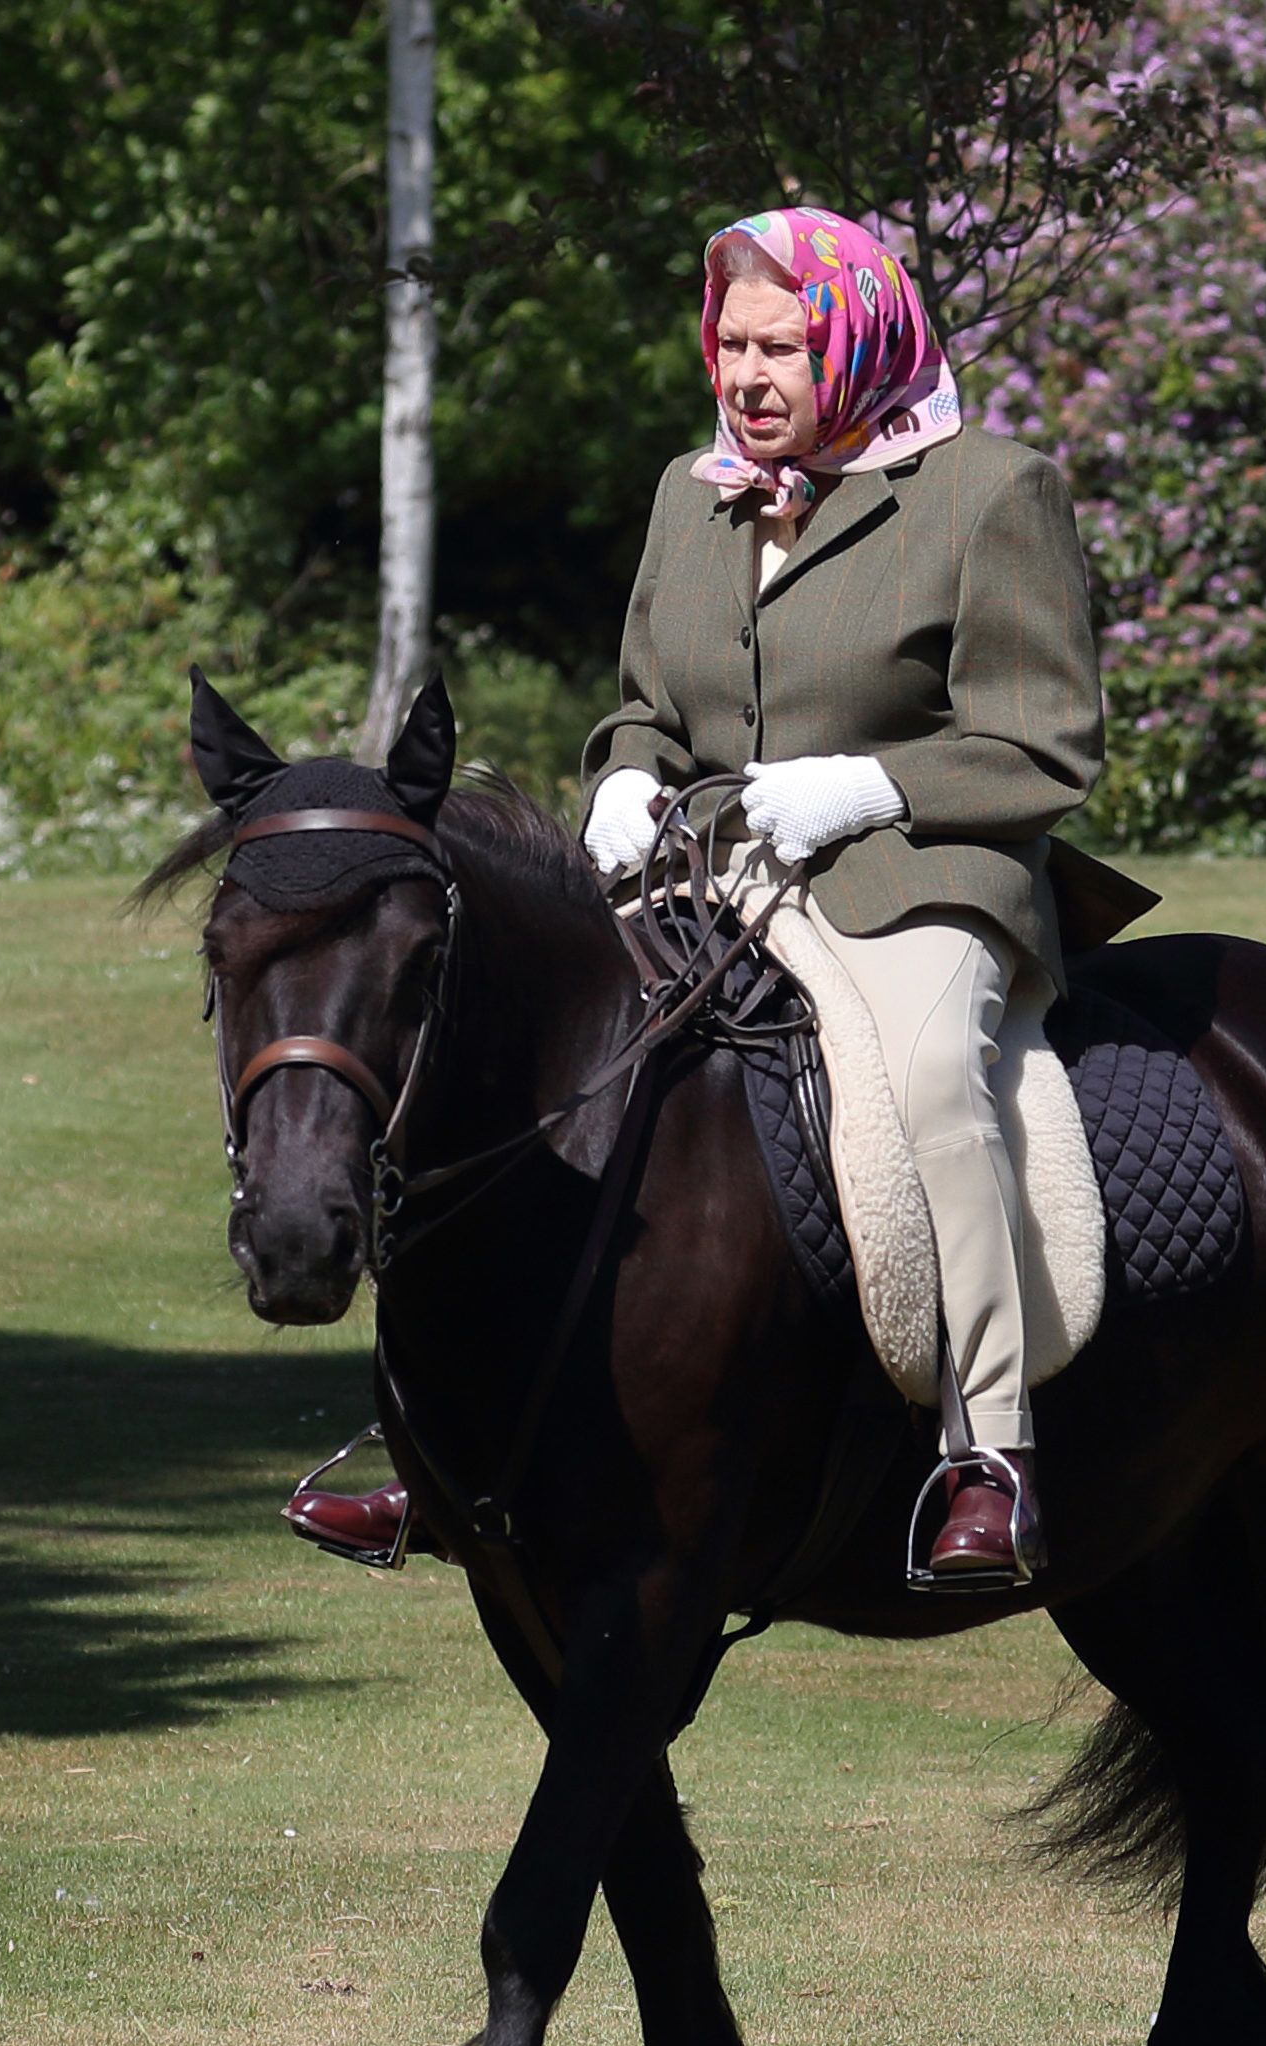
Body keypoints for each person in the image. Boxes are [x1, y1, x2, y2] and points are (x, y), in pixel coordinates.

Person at [288, 206, 1104, 1584]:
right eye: (728, 345)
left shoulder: (992, 493)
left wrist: (869, 788)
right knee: (502, 1059)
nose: (746, 376)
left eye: (781, 345)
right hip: (709, 873)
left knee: (926, 1085)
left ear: (859, 335)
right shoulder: (695, 486)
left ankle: (990, 1452)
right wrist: (623, 776)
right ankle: (433, 1452)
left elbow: (1044, 743)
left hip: (916, 875)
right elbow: (647, 710)